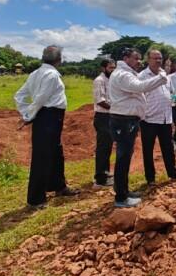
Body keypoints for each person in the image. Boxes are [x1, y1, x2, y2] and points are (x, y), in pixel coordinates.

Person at [14, 45, 79, 210]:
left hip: (50, 117)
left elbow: (19, 95)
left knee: (56, 152)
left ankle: (58, 186)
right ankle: (35, 199)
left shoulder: (35, 74)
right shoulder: (51, 75)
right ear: (59, 60)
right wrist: (28, 115)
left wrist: (26, 112)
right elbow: (41, 99)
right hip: (48, 117)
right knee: (42, 157)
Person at [108, 48, 168, 208]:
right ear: (126, 58)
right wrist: (162, 78)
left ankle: (124, 191)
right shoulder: (123, 74)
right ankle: (121, 197)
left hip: (128, 120)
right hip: (124, 121)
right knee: (123, 158)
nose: (139, 61)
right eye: (136, 58)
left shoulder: (125, 73)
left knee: (125, 157)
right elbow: (140, 87)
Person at [139, 50, 176, 185]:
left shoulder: (165, 75)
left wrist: (172, 104)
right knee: (148, 150)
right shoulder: (142, 76)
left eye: (160, 58)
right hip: (148, 120)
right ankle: (150, 179)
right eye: (155, 58)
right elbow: (138, 97)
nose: (158, 60)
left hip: (165, 119)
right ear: (148, 59)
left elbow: (173, 92)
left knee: (168, 149)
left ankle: (173, 175)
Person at [92, 58, 116, 187]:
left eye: (114, 68)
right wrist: (115, 108)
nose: (113, 70)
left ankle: (105, 173)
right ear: (103, 68)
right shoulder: (99, 81)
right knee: (103, 148)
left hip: (110, 116)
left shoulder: (111, 80)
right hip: (102, 117)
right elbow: (100, 100)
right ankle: (100, 179)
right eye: (110, 68)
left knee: (107, 147)